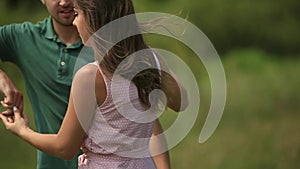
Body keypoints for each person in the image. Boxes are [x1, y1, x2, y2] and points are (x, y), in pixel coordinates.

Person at [0, 0, 174, 168]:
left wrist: (22, 130)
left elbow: (146, 118)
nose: (64, 2)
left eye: (77, 11)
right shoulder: (22, 37)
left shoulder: (103, 59)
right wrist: (4, 81)